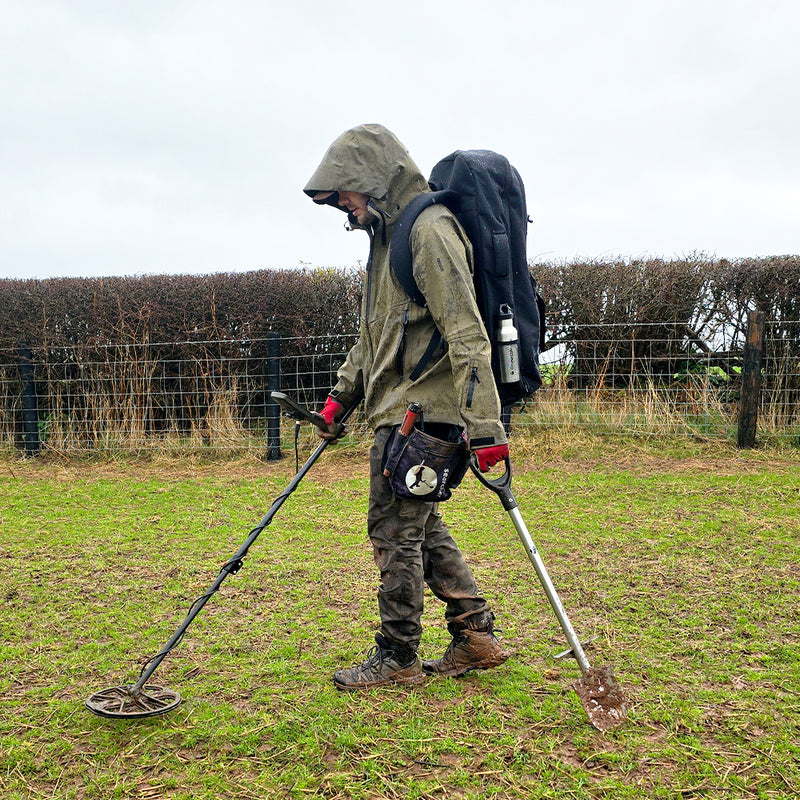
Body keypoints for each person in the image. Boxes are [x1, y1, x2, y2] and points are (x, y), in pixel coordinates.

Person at [304, 124, 510, 691]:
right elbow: (373, 335)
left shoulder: (430, 230)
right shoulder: (386, 238)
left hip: (425, 413)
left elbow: (468, 334)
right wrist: (338, 400)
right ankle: (475, 635)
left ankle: (398, 655)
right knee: (418, 523)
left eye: (343, 192)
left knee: (393, 530)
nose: (341, 205)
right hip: (398, 408)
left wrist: (487, 428)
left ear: (371, 177)